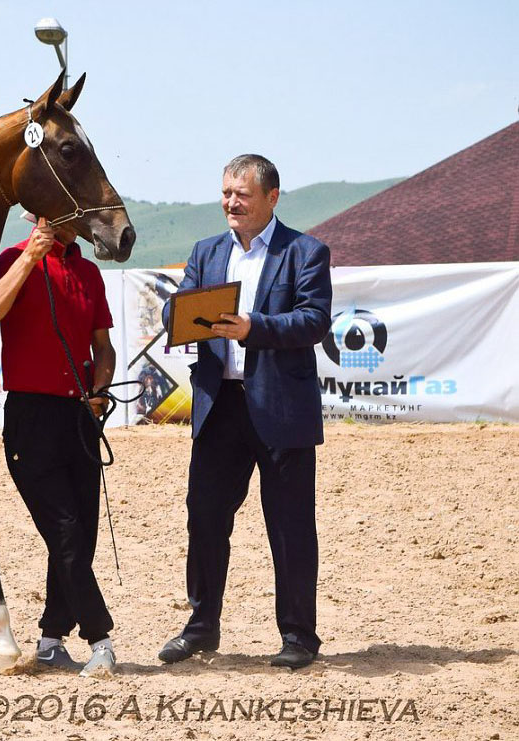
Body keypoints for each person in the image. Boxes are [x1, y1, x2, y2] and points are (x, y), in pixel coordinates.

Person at [157, 154, 332, 670]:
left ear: (271, 198)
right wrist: (185, 315)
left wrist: (253, 327)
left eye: (243, 194)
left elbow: (314, 320)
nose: (231, 202)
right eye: (227, 192)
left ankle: (299, 637)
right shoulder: (205, 252)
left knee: (291, 527)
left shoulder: (306, 251)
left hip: (282, 408)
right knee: (205, 520)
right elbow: (175, 309)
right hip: (220, 408)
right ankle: (201, 627)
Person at [0, 214, 117, 676]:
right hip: (31, 417)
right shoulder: (12, 259)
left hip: (80, 413)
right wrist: (30, 258)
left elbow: (104, 346)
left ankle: (52, 637)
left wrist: (101, 385)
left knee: (83, 534)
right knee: (65, 531)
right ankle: (100, 637)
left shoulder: (89, 272)